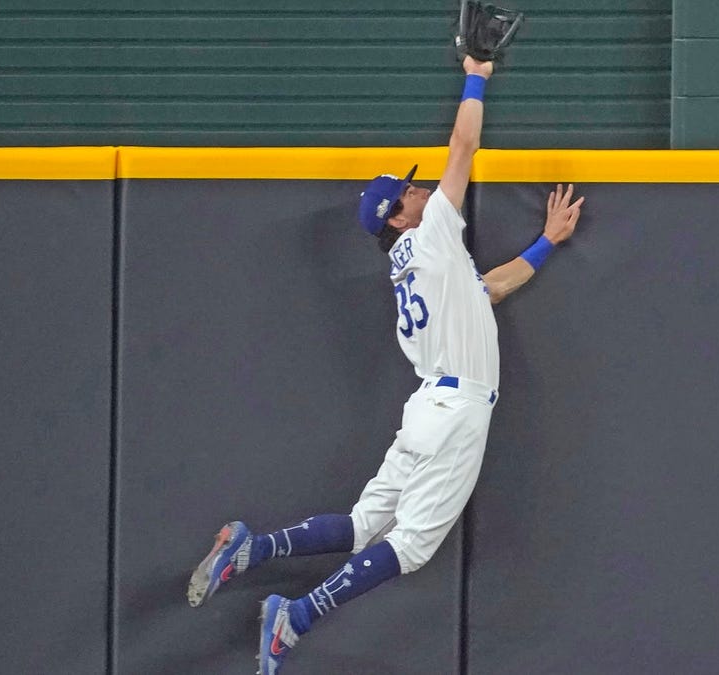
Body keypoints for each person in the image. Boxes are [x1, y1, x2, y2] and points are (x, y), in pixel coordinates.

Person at [186, 55, 584, 674]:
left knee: (363, 524)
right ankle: (298, 615)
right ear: (398, 216)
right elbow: (464, 144)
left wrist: (545, 243)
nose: (420, 189)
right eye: (408, 192)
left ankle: (253, 549)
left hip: (430, 406)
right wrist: (477, 73)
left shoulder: (417, 262)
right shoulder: (431, 239)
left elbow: (491, 289)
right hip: (454, 411)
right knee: (411, 546)